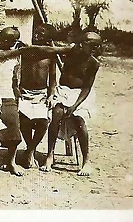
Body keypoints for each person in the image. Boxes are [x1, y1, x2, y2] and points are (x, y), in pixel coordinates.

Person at [39, 32, 101, 176]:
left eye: (94, 46)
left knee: (79, 120)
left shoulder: (93, 63)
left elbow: (87, 88)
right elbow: (54, 53)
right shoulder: (70, 53)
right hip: (63, 91)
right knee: (56, 113)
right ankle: (50, 155)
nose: (92, 48)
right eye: (86, 43)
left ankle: (86, 161)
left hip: (81, 95)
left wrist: (74, 106)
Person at [18, 24, 58, 168]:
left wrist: (51, 94)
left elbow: (52, 78)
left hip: (41, 94)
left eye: (41, 34)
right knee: (23, 120)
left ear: (48, 38)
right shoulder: (26, 51)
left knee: (43, 122)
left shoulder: (51, 54)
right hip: (25, 92)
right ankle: (30, 150)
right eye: (36, 32)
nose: (37, 35)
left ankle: (30, 150)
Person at [0, 27, 25, 176]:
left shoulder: (15, 57)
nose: (1, 41)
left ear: (13, 42)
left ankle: (11, 161)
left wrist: (17, 93)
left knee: (14, 131)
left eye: (7, 40)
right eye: (1, 37)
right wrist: (19, 50)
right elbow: (2, 54)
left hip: (7, 95)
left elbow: (15, 77)